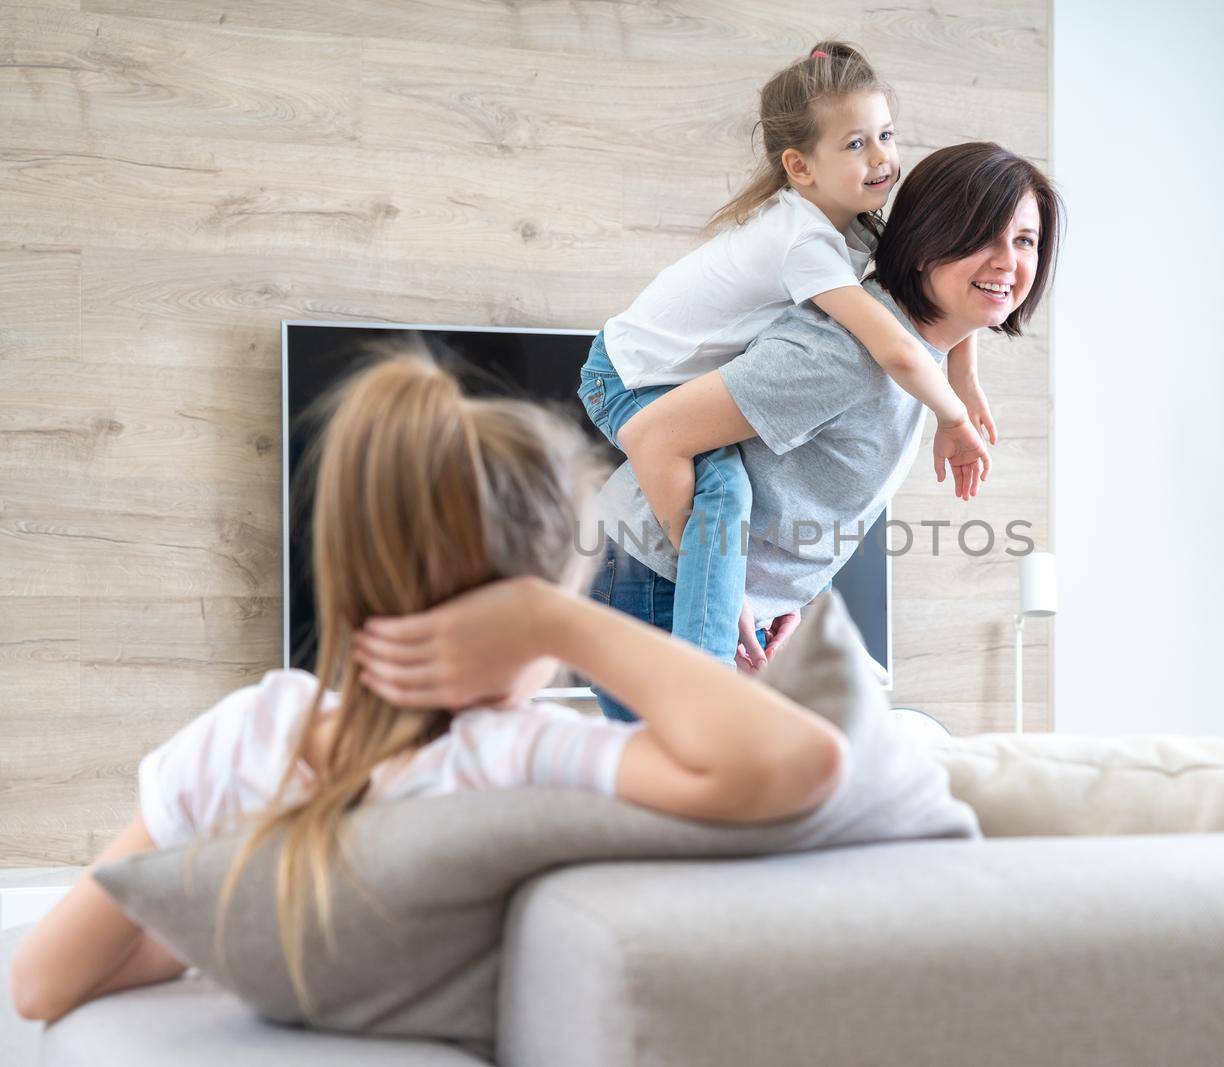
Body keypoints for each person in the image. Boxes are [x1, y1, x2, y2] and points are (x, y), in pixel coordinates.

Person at [8, 345, 847, 1024]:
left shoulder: (250, 733)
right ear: (536, 600)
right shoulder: (518, 754)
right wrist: (562, 622)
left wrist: (223, 937)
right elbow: (805, 762)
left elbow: (39, 984)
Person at [368, 142, 1062, 723]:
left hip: (710, 584)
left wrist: (791, 593)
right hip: (656, 577)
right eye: (981, 236)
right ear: (926, 242)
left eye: (1024, 240)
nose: (1007, 261)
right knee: (699, 797)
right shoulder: (844, 356)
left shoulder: (919, 349)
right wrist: (722, 589)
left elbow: (794, 481)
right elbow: (656, 436)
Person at [579, 40, 996, 676]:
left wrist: (966, 377)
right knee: (720, 494)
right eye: (856, 144)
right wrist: (953, 419)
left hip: (642, 377)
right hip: (627, 375)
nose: (883, 157)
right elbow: (896, 349)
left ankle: (715, 618)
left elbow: (928, 306)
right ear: (800, 166)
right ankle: (709, 662)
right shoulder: (807, 246)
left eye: (886, 134)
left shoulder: (847, 225)